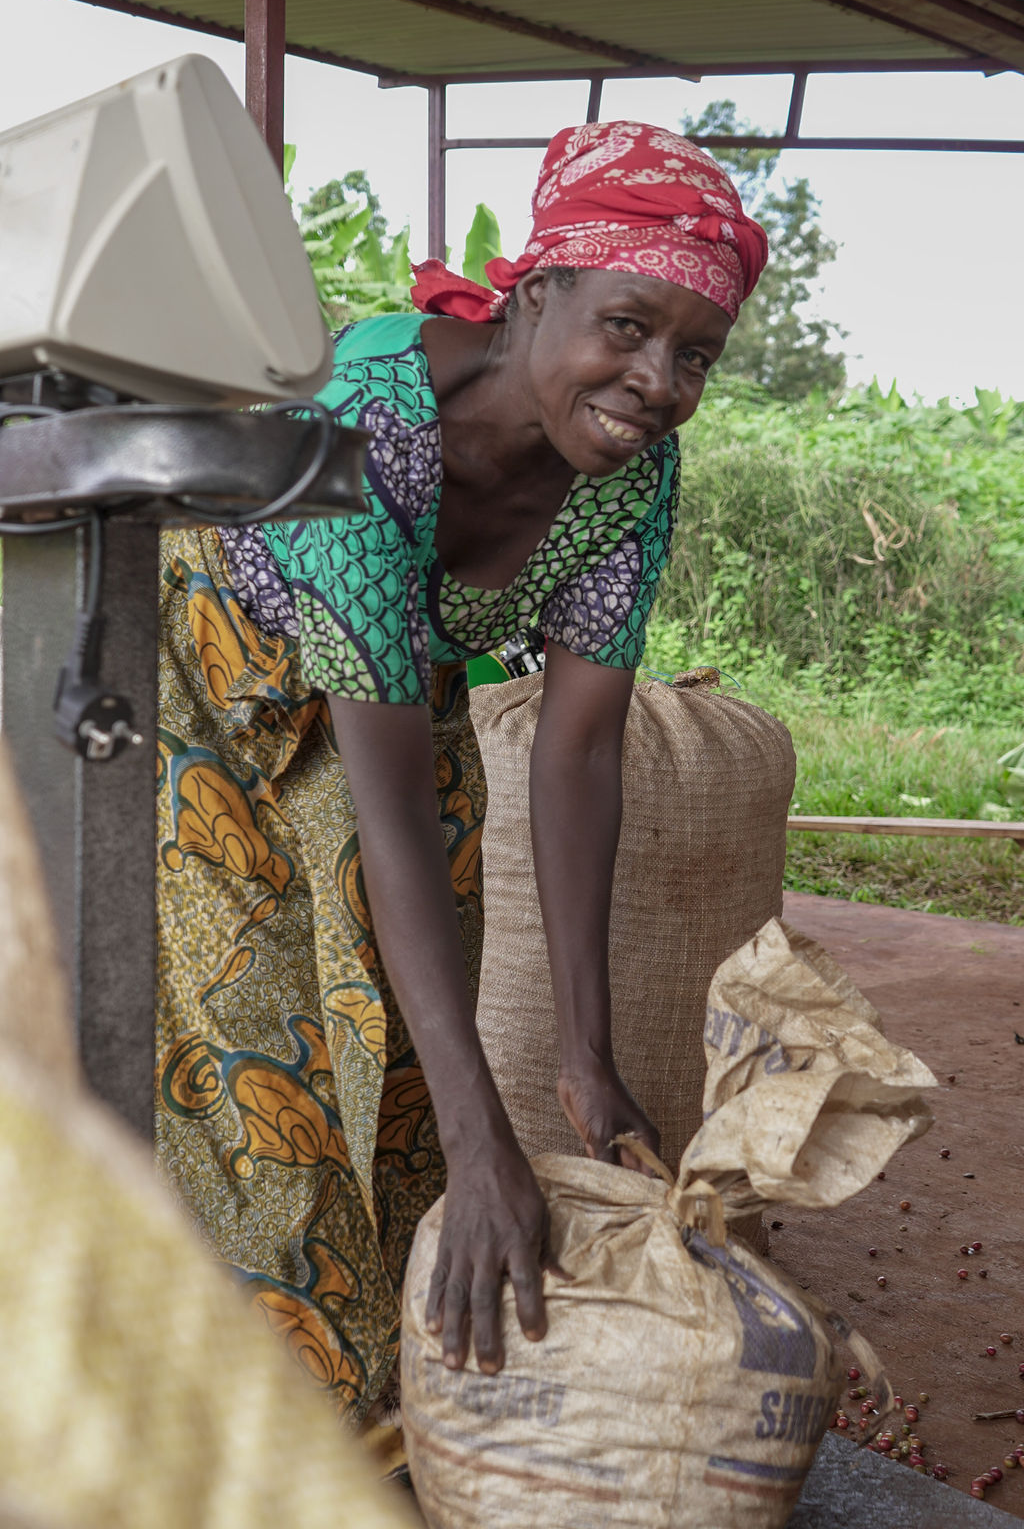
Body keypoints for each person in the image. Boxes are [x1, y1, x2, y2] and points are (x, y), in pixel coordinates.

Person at [154, 120, 768, 1422]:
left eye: (695, 355)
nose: (660, 380)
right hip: (212, 668)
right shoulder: (373, 421)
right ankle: (270, 1406)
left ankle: (409, 1352)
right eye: (627, 326)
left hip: (396, 670)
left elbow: (581, 749)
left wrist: (586, 1062)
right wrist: (501, 1140)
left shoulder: (631, 476)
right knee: (269, 1028)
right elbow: (385, 819)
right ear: (535, 294)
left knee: (430, 1061)